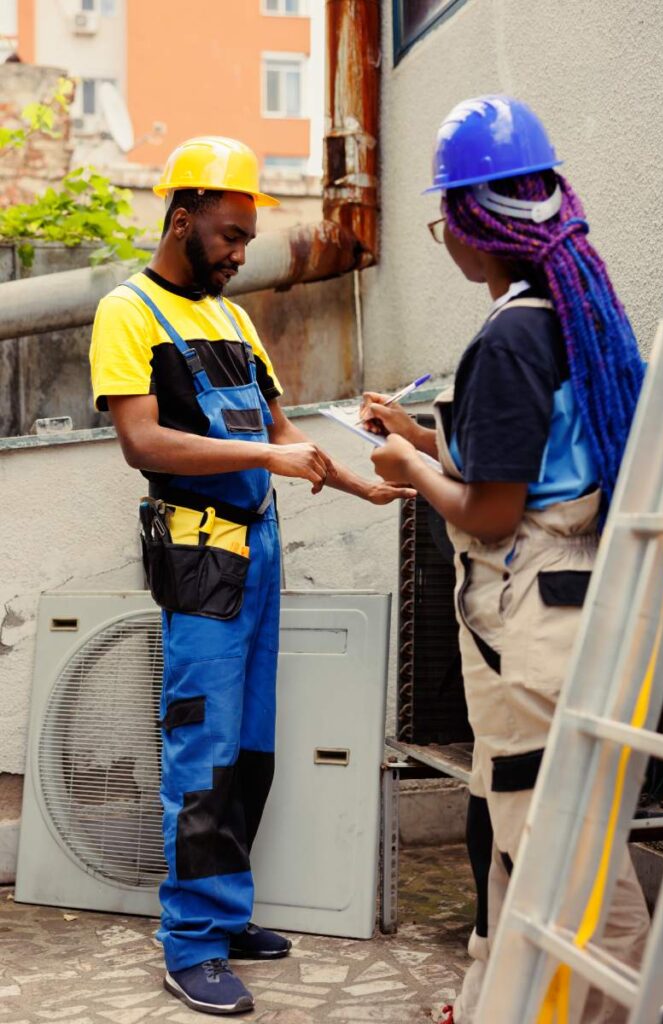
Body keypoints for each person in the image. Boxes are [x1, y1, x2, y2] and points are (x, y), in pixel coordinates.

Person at [89, 135, 412, 1017]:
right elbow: (142, 443)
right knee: (202, 752)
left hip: (258, 551)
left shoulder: (231, 317)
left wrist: (365, 482)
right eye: (229, 236)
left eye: (245, 239)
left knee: (251, 750)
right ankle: (188, 944)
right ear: (182, 219)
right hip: (199, 560)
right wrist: (268, 454)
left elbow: (286, 434)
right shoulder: (129, 312)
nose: (240, 256)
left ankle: (225, 916)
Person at [365, 96, 650, 1023]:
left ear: (466, 227)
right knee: (520, 841)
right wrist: (422, 435)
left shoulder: (507, 337)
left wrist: (409, 468)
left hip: (530, 634)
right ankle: (494, 1002)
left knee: (565, 868)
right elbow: (531, 468)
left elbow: (490, 517)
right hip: (582, 614)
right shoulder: (574, 315)